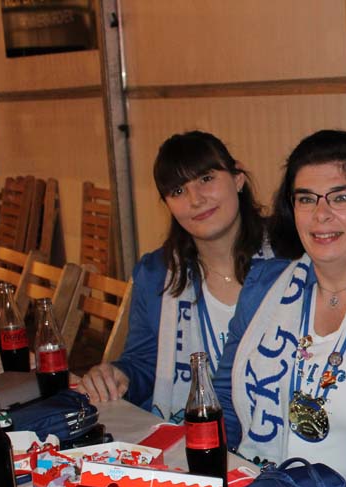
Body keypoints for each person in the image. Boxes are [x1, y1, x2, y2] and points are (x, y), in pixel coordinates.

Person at [214, 130, 346, 484]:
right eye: (306, 199)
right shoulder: (263, 287)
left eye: (341, 197)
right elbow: (224, 399)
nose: (321, 214)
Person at [79, 131, 279, 421]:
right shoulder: (156, 275)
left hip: (278, 429)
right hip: (194, 432)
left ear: (237, 178)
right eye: (177, 192)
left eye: (206, 179)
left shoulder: (290, 258)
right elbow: (145, 362)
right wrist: (118, 374)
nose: (195, 199)